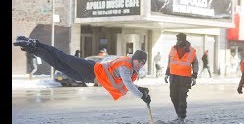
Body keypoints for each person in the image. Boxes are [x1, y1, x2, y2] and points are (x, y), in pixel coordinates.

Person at [13, 36, 151, 104]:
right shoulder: (126, 67)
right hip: (90, 68)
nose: (140, 65)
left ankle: (31, 48)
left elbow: (127, 85)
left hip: (87, 78)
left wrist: (141, 89)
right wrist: (141, 95)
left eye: (142, 63)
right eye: (139, 61)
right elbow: (127, 84)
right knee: (62, 56)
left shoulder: (133, 72)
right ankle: (35, 43)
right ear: (134, 59)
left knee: (57, 64)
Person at [164, 33, 199, 123]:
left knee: (182, 97)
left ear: (184, 40)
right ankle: (179, 115)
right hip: (173, 76)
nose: (178, 41)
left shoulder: (191, 51)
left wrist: (194, 76)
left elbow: (195, 63)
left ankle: (182, 117)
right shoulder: (173, 49)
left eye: (180, 40)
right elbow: (170, 62)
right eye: (177, 40)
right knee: (173, 96)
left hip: (185, 77)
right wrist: (167, 74)